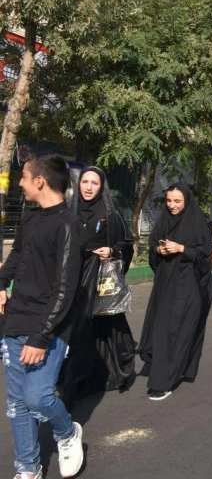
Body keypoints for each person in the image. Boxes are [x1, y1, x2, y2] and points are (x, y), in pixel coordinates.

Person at [0, 154, 85, 479]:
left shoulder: (68, 225)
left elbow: (65, 290)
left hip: (49, 327)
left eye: (23, 176)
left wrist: (40, 336)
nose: (19, 182)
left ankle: (68, 433)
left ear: (40, 181)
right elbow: (18, 255)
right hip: (16, 319)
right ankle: (27, 469)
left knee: (37, 397)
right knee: (17, 404)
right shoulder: (30, 218)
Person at [60, 166, 136, 401]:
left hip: (98, 280)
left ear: (101, 187)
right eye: (85, 182)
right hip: (72, 278)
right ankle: (74, 377)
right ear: (77, 184)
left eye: (94, 183)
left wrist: (112, 250)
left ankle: (102, 375)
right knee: (73, 328)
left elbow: (127, 244)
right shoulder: (67, 212)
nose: (89, 187)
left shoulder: (110, 215)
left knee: (99, 328)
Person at [139, 182, 212, 400]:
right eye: (169, 200)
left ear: (186, 201)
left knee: (174, 330)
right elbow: (154, 245)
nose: (172, 205)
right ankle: (176, 369)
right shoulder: (164, 220)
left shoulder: (197, 223)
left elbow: (205, 257)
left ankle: (163, 381)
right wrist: (159, 249)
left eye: (177, 201)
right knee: (162, 327)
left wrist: (182, 249)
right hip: (165, 283)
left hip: (188, 285)